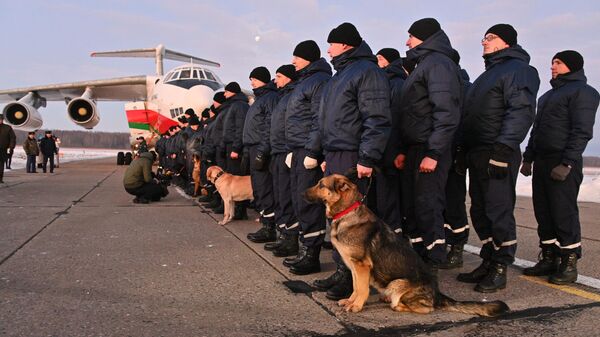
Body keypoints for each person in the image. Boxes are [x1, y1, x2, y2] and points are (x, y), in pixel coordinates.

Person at [458, 24, 540, 293]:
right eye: (484, 37)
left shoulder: (519, 70)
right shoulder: (487, 75)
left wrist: (504, 150)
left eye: (490, 37)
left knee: (498, 209)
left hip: (498, 151)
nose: (484, 42)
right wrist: (463, 149)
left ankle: (501, 265)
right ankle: (489, 259)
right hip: (478, 152)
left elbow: (520, 111)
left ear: (506, 42)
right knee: (479, 210)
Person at [314, 22, 391, 299]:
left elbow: (377, 118)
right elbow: (328, 122)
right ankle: (341, 271)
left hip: (354, 153)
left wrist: (367, 157)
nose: (328, 49)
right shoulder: (341, 75)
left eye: (332, 44)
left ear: (345, 45)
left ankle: (354, 278)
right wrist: (325, 155)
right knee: (337, 219)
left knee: (354, 222)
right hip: (337, 153)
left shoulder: (366, 72)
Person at [521, 50, 599, 284]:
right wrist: (528, 157)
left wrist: (567, 162)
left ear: (572, 66)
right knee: (543, 212)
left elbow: (582, 131)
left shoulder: (584, 93)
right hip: (543, 162)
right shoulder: (547, 96)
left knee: (563, 212)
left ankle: (568, 262)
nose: (553, 66)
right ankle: (549, 258)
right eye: (553, 61)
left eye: (559, 62)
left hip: (563, 162)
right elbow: (536, 130)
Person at [395, 18, 462, 271]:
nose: (407, 41)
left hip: (429, 149)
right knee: (414, 206)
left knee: (428, 205)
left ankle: (433, 263)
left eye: (411, 36)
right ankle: (419, 260)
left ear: (425, 38)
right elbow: (412, 112)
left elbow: (446, 113)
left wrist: (433, 152)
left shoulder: (438, 64)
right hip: (416, 148)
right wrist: (404, 149)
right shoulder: (424, 64)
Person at [282, 40, 332, 276]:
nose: (293, 61)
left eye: (297, 57)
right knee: (298, 199)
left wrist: (312, 151)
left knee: (309, 202)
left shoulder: (318, 82)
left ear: (308, 58)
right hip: (299, 148)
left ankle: (311, 255)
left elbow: (318, 119)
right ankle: (305, 249)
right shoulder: (305, 82)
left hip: (308, 150)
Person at [440, 49, 473, 270]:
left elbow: (467, 122)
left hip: (454, 153)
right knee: (438, 202)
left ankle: (457, 247)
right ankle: (443, 243)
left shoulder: (464, 87)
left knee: (453, 202)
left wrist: (461, 152)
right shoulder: (444, 84)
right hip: (439, 152)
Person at [243, 67, 280, 243]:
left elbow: (269, 126)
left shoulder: (269, 98)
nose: (251, 82)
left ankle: (270, 227)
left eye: (254, 79)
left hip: (260, 148)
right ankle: (266, 222)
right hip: (253, 147)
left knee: (265, 188)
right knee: (259, 188)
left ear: (263, 79)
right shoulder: (260, 99)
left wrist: (262, 151)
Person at [266, 64, 299, 256]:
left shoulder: (291, 97)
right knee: (280, 195)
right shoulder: (282, 97)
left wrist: (290, 150)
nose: (275, 80)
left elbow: (294, 124)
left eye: (278, 76)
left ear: (287, 78)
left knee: (288, 196)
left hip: (288, 151)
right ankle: (284, 235)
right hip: (277, 151)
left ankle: (291, 238)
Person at [375, 47, 406, 235]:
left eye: (379, 58)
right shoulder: (385, 82)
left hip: (390, 149)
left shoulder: (396, 84)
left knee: (389, 198)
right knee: (382, 198)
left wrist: (397, 150)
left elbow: (396, 119)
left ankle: (393, 237)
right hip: (382, 148)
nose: (376, 62)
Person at [221, 81, 250, 219]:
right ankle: (235, 211)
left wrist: (236, 148)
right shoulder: (233, 105)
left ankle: (240, 211)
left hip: (235, 148)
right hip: (231, 146)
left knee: (238, 182)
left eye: (226, 91)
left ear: (232, 92)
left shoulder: (239, 106)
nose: (224, 94)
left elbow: (240, 128)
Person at [0, 114, 16, 183]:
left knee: (1, 165)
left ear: (2, 120)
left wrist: (11, 147)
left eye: (0, 119)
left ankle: (0, 179)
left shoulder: (7, 128)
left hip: (3, 149)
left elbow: (13, 138)